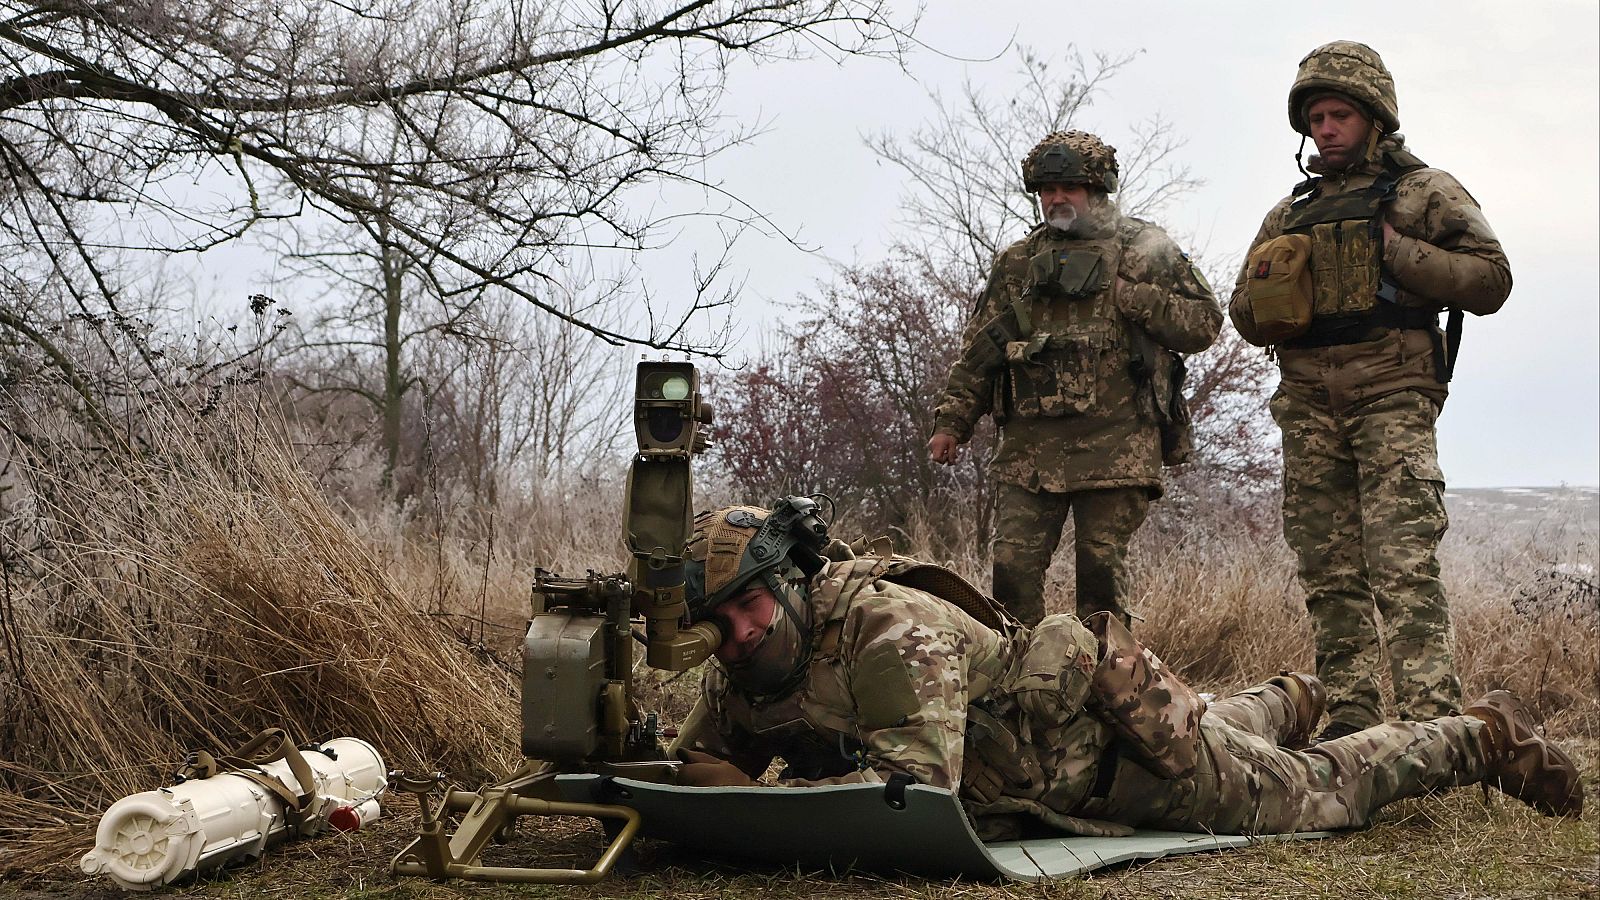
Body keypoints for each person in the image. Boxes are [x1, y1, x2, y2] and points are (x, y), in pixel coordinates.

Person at [671, 501, 1582, 839]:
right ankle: (1287, 698)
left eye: (752, 609)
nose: (741, 635)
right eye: (721, 623)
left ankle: (1479, 733)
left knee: (1327, 791)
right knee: (1240, 730)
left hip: (1119, 764)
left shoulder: (885, 635)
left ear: (792, 588)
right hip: (1057, 763)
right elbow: (699, 769)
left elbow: (911, 803)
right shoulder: (743, 664)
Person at [1228, 42, 1511, 741]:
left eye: (1340, 115)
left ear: (1374, 117)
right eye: (1316, 117)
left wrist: (1401, 254)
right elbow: (1239, 311)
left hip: (1392, 394)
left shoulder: (1423, 192)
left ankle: (1431, 730)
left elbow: (1491, 279)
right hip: (1307, 407)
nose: (1325, 129)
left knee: (1401, 564)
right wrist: (1275, 289)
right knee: (1328, 570)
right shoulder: (1289, 214)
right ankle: (1353, 722)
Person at [929, 130, 1221, 628]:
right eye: (1047, 190)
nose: (1056, 199)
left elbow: (1204, 324)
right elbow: (980, 352)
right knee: (1010, 575)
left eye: (1068, 188)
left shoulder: (1144, 250)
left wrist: (1135, 298)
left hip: (1117, 445)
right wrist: (951, 423)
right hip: (1029, 450)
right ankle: (1020, 689)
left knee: (1101, 582)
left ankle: (1107, 695)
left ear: (1098, 189)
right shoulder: (1019, 263)